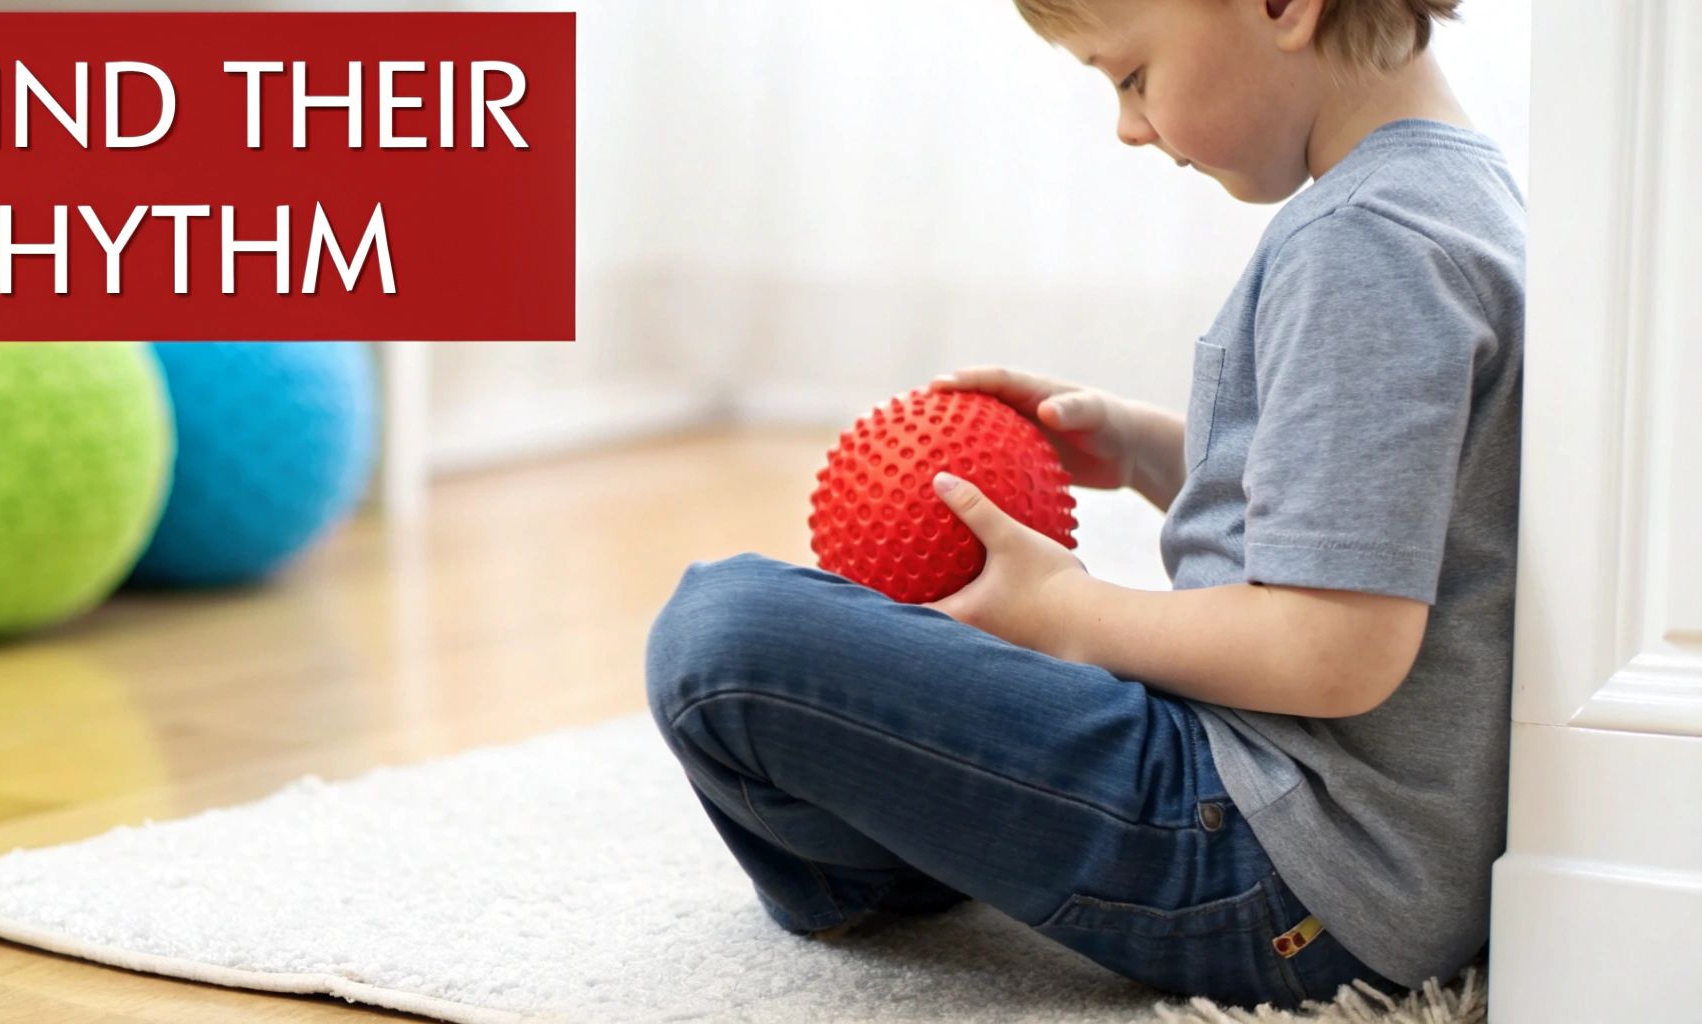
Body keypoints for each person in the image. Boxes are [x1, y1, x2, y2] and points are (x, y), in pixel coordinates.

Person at [644, 0, 1521, 1010]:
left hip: (1279, 865)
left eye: (1131, 74)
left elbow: (1335, 646)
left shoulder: (1362, 242)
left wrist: (1066, 616)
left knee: (722, 637)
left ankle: (871, 864)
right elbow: (1397, 512)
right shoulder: (1458, 191)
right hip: (1363, 854)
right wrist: (1147, 449)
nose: (1127, 126)